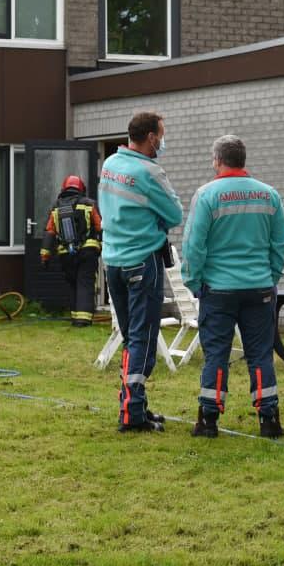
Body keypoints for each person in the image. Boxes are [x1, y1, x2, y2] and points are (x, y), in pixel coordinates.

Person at [182, 135, 284, 439]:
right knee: (260, 354)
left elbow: (193, 245)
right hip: (259, 288)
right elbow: (281, 241)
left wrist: (193, 281)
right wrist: (271, 275)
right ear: (243, 159)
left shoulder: (207, 195)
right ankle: (269, 418)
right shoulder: (269, 195)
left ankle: (208, 419)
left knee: (216, 354)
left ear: (217, 160)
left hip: (218, 289)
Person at [98, 111, 184, 433]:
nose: (162, 141)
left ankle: (133, 404)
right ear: (150, 137)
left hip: (113, 261)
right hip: (141, 262)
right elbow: (174, 213)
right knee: (144, 337)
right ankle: (133, 413)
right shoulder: (150, 172)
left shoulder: (110, 165)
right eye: (161, 135)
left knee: (130, 335)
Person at [39, 174, 103, 327]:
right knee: (86, 283)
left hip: (66, 254)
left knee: (73, 283)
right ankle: (83, 319)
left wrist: (45, 256)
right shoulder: (89, 204)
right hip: (88, 251)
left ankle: (75, 316)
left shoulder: (56, 207)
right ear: (81, 188)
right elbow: (100, 225)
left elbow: (50, 232)